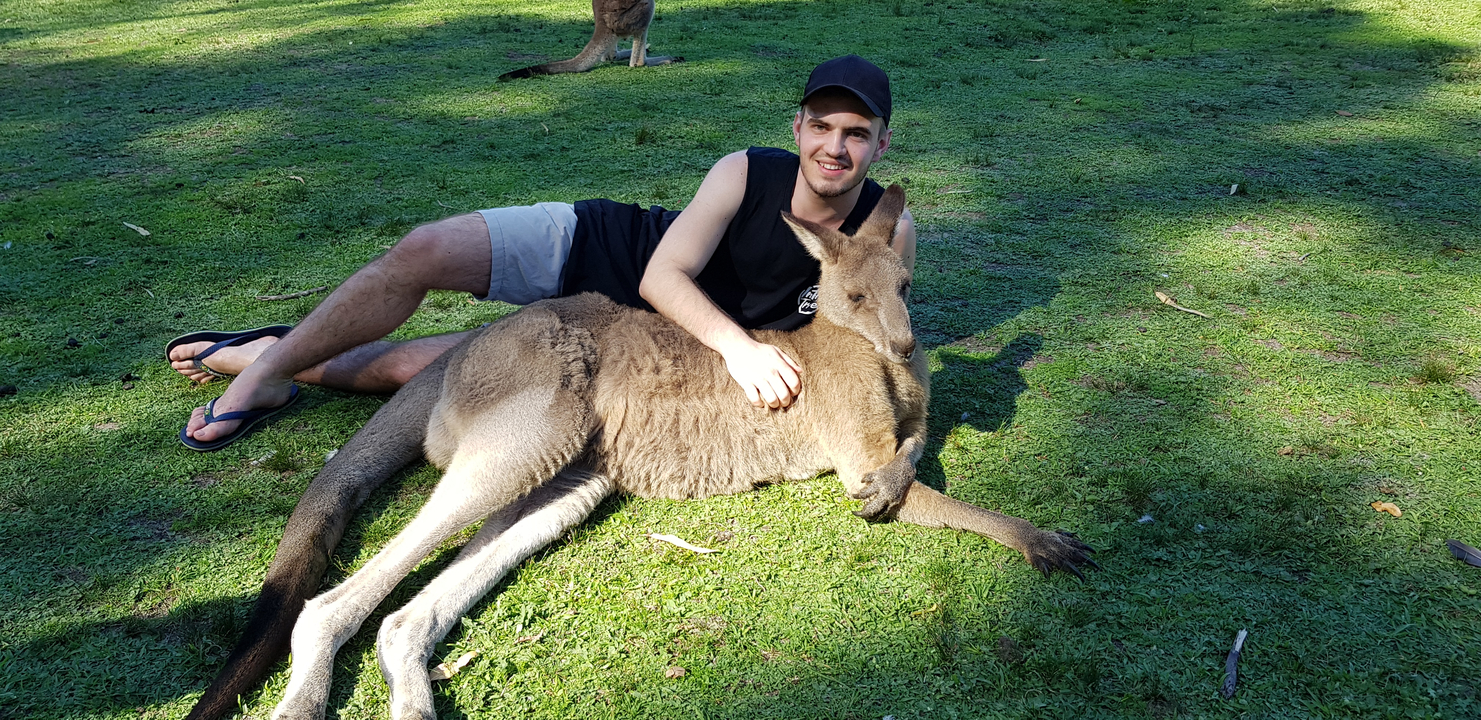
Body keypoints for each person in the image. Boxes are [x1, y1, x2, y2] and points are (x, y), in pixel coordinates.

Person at [170, 55, 917, 451]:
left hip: (631, 337)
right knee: (425, 248)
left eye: (856, 133)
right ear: (797, 128)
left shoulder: (887, 231)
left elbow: (874, 331)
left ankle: (260, 353)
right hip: (604, 251)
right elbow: (663, 272)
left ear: (880, 143)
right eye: (822, 125)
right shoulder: (744, 171)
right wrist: (739, 351)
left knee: (417, 371)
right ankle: (263, 377)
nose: (835, 145)